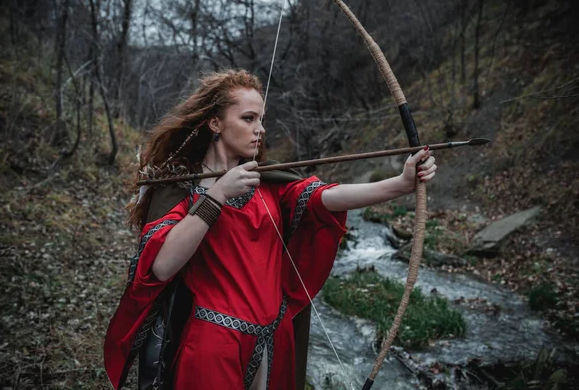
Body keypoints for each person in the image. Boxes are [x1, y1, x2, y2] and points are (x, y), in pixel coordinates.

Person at [104, 69, 437, 390]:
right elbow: (161, 267)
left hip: (272, 342)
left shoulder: (268, 186)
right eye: (248, 118)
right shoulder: (183, 191)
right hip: (213, 344)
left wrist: (401, 183)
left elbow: (330, 196)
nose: (259, 129)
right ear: (215, 123)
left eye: (261, 119)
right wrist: (216, 195)